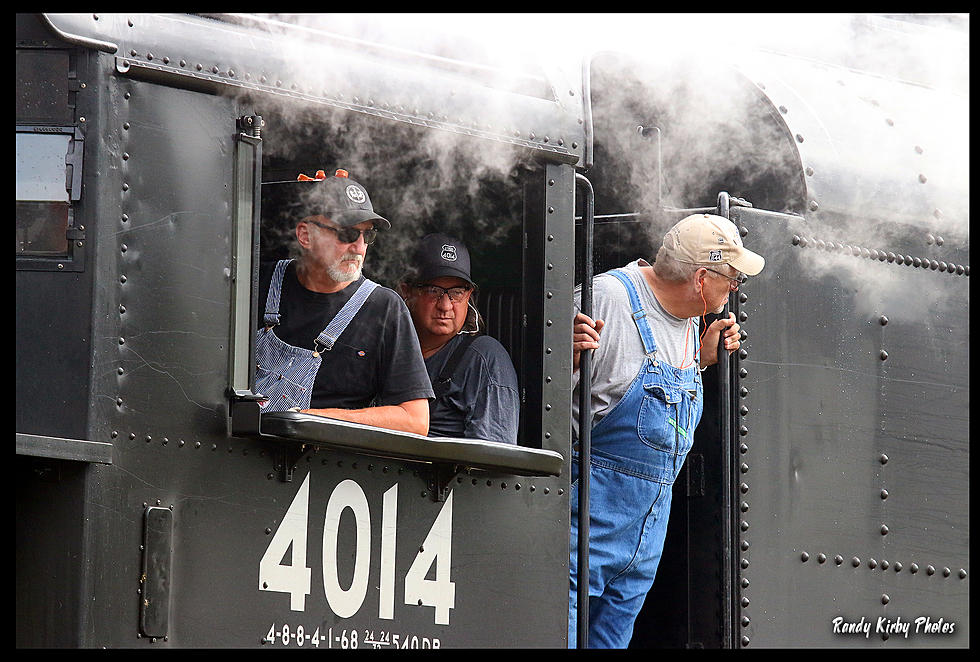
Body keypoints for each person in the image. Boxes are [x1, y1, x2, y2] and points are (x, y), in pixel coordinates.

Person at [568, 213, 765, 648]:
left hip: (647, 531)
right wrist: (565, 361)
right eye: (730, 276)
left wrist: (703, 358)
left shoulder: (692, 320)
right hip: (587, 519)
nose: (734, 287)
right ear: (700, 279)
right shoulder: (605, 301)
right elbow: (545, 403)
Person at [255, 169, 433, 436]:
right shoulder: (256, 282)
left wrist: (310, 420)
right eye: (348, 234)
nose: (359, 247)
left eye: (367, 236)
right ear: (305, 235)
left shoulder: (385, 309)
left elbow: (415, 420)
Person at [398, 233, 520, 445]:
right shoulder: (388, 349)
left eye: (456, 293)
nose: (445, 306)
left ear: (469, 294)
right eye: (433, 290)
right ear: (407, 291)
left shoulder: (485, 359)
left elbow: (493, 459)